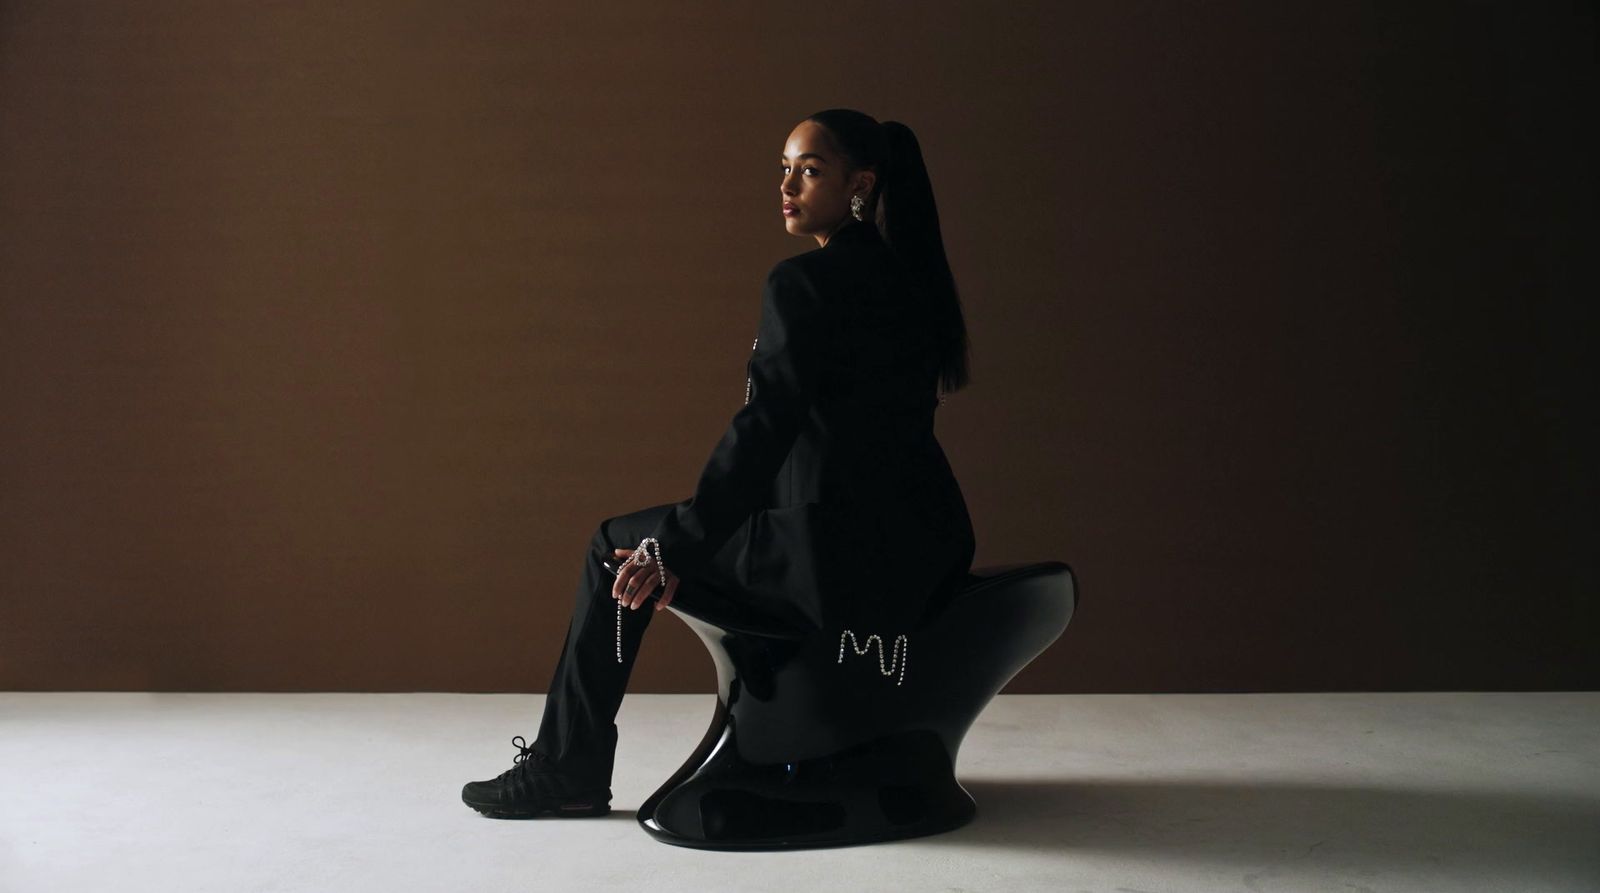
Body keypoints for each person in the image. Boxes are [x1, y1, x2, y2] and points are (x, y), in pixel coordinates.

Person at [461, 108, 976, 819]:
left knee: (614, 548)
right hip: (922, 547)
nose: (789, 185)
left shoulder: (803, 283)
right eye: (785, 168)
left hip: (826, 560)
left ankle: (566, 766)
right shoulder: (916, 284)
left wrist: (670, 545)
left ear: (861, 183)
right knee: (685, 537)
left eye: (811, 169)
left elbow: (763, 431)